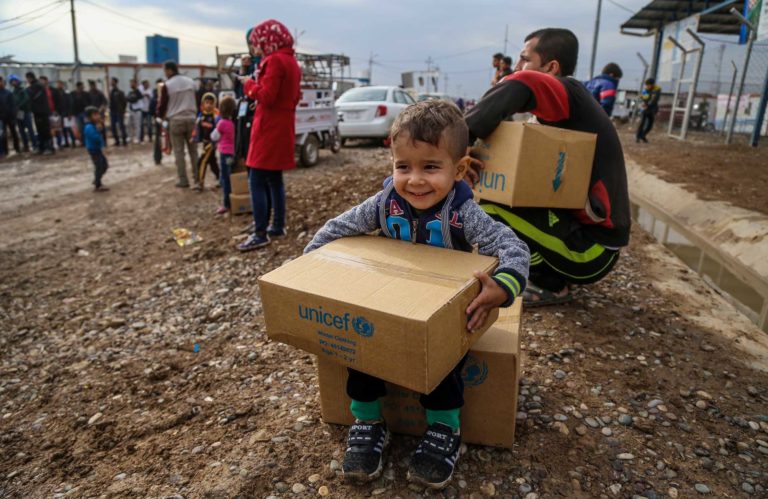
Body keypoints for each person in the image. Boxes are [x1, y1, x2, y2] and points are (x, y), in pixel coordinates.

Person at [304, 100, 530, 489]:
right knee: (360, 352)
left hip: (442, 313)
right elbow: (334, 229)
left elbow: (514, 247)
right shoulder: (383, 204)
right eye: (402, 166)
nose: (415, 180)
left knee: (444, 364)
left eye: (430, 167)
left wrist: (503, 285)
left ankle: (445, 427)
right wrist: (309, 268)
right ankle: (368, 419)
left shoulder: (463, 214)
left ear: (458, 169)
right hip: (389, 306)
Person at [465, 28, 630, 307]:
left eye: (524, 58)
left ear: (551, 68)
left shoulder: (570, 94)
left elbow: (523, 83)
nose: (516, 66)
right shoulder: (560, 114)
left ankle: (549, 284)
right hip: (581, 236)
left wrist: (457, 142)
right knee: (493, 195)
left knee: (488, 207)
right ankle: (535, 269)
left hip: (592, 252)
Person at [237, 19, 301, 251]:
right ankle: (277, 225)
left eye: (256, 44)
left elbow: (268, 95)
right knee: (274, 179)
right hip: (283, 124)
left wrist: (248, 85)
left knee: (256, 179)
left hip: (269, 126)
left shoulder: (274, 60)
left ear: (267, 41)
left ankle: (260, 232)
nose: (255, 49)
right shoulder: (291, 61)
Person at [158, 61, 200, 189]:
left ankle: (183, 180)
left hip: (176, 121)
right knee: (194, 152)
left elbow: (162, 104)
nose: (164, 73)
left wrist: (159, 116)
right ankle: (198, 179)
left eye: (165, 70)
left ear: (170, 70)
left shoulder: (167, 85)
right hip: (192, 119)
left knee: (179, 152)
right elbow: (198, 99)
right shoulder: (190, 82)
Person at [211, 96, 236, 214]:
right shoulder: (233, 123)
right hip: (232, 153)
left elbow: (214, 136)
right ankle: (233, 199)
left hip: (224, 153)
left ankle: (226, 204)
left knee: (225, 179)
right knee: (231, 177)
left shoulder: (221, 123)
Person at [192, 92, 221, 185]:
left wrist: (216, 142)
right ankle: (220, 178)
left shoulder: (216, 116)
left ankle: (199, 183)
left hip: (211, 143)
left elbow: (219, 129)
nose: (208, 105)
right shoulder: (201, 115)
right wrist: (194, 138)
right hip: (204, 142)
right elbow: (197, 128)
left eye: (211, 103)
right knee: (213, 162)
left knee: (202, 161)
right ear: (203, 103)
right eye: (207, 102)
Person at [26, 72, 54, 155]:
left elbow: (34, 96)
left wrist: (28, 90)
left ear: (30, 78)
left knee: (45, 130)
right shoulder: (34, 86)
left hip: (42, 111)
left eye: (28, 78)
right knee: (39, 130)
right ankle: (42, 147)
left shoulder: (37, 86)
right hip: (37, 111)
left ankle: (49, 147)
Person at [83, 106, 109, 192]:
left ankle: (97, 179)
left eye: (98, 114)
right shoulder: (89, 127)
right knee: (99, 166)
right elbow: (95, 138)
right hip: (93, 150)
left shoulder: (94, 125)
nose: (97, 117)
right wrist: (99, 130)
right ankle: (98, 184)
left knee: (104, 165)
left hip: (97, 149)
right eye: (95, 115)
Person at [8, 75, 35, 153]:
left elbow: (26, 99)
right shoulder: (13, 92)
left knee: (30, 129)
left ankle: (34, 144)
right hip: (18, 113)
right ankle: (26, 146)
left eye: (14, 81)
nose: (13, 83)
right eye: (12, 81)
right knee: (21, 130)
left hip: (25, 112)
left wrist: (18, 106)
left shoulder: (23, 89)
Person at [636, 77, 661, 143]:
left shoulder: (657, 90)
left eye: (648, 85)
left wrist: (648, 105)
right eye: (646, 85)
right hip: (645, 109)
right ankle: (638, 137)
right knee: (642, 123)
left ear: (652, 84)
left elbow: (654, 99)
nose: (647, 86)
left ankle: (642, 135)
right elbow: (644, 97)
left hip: (652, 109)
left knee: (650, 125)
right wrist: (642, 101)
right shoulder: (646, 90)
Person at [0, 76, 20, 157]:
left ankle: (17, 148)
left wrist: (13, 116)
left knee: (13, 133)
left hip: (10, 117)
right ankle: (5, 150)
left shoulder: (8, 93)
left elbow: (13, 106)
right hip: (1, 117)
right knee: (2, 135)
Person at [55, 81, 76, 148]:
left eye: (59, 84)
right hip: (60, 113)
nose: (58, 85)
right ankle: (66, 142)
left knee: (69, 128)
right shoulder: (57, 93)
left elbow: (70, 103)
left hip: (67, 113)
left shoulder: (66, 93)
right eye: (57, 84)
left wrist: (70, 113)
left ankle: (73, 142)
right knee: (63, 129)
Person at [109, 77, 128, 146]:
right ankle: (117, 141)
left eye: (112, 81)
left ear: (116, 82)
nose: (111, 83)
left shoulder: (120, 92)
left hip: (119, 111)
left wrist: (122, 110)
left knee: (121, 126)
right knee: (113, 126)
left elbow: (124, 102)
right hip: (113, 111)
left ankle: (124, 140)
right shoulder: (111, 92)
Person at [127, 79, 146, 144]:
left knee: (137, 125)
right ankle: (129, 137)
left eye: (132, 83)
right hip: (131, 110)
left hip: (137, 110)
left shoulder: (139, 91)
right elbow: (128, 99)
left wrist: (132, 98)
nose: (130, 84)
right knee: (129, 124)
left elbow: (136, 98)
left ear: (135, 84)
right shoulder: (131, 92)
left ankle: (137, 138)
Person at [71, 81, 91, 146]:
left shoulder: (86, 94)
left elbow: (89, 102)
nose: (83, 87)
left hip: (84, 113)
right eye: (82, 86)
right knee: (80, 128)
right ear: (78, 86)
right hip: (77, 113)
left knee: (86, 127)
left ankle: (87, 141)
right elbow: (71, 103)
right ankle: (83, 141)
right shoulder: (73, 94)